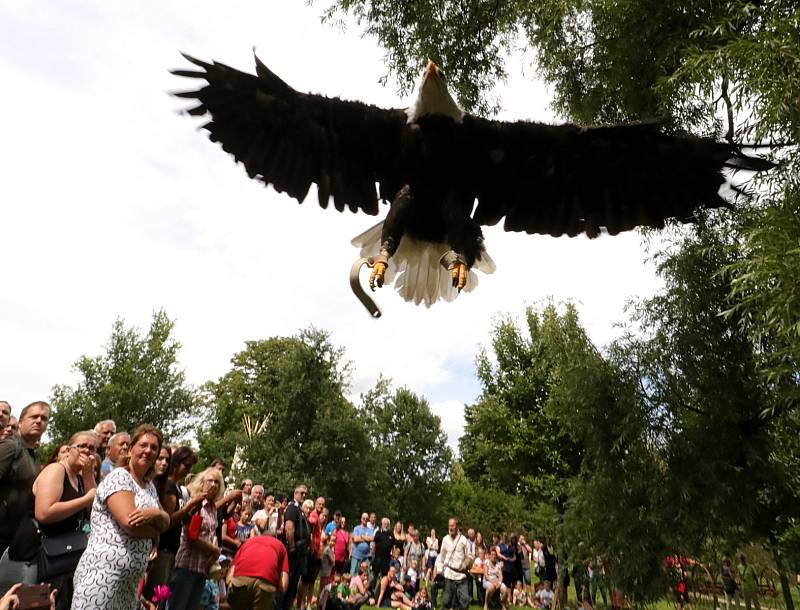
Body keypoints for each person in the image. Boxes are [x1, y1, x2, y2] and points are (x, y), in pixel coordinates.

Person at [71, 424, 170, 609]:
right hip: (104, 575)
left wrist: (155, 513)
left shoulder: (148, 486)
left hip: (129, 582)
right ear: (131, 449)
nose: (148, 450)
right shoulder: (119, 477)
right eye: (143, 445)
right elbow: (130, 524)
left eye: (154, 448)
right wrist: (155, 530)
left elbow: (165, 522)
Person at [33, 430, 98, 610]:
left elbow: (94, 510)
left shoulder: (79, 477)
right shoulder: (55, 470)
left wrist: (88, 475)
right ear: (69, 450)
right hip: (42, 555)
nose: (87, 451)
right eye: (82, 446)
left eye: (92, 448)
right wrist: (84, 500)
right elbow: (44, 513)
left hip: (65, 555)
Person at [144, 446, 205, 602]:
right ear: (176, 463)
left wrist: (191, 510)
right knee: (154, 597)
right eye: (186, 465)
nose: (188, 469)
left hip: (171, 551)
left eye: (191, 466)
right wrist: (189, 506)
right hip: (162, 550)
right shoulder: (169, 487)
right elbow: (167, 522)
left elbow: (180, 520)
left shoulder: (177, 488)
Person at [0, 401, 50, 591]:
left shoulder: (34, 457)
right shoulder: (10, 447)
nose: (39, 421)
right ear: (20, 421)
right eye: (34, 417)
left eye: (44, 418)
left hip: (15, 541)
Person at [169, 467, 226, 610]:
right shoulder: (197, 503)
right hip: (187, 564)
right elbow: (191, 537)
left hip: (202, 568)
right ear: (202, 482)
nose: (213, 484)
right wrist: (213, 550)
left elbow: (211, 534)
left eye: (217, 482)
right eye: (210, 481)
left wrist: (213, 556)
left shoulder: (213, 508)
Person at [228, 533, 289, 610]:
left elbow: (229, 576)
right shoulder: (281, 546)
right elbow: (283, 586)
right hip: (266, 583)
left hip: (241, 579)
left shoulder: (248, 543)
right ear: (275, 538)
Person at [280, 484, 310, 610]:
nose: (303, 495)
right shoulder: (292, 507)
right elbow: (289, 527)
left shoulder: (300, 510)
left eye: (305, 494)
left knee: (293, 585)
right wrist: (291, 547)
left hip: (300, 553)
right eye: (302, 493)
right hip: (293, 552)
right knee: (289, 583)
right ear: (295, 493)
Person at [435, 518, 473, 610]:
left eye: (453, 526)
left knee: (465, 601)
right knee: (446, 602)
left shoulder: (463, 540)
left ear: (457, 527)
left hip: (461, 576)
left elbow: (470, 556)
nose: (451, 528)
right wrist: (439, 570)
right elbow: (441, 556)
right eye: (449, 526)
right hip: (449, 575)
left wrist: (464, 565)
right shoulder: (445, 539)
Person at [299, 496, 326, 610]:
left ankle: (308, 604)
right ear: (315, 504)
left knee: (311, 581)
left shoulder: (320, 518)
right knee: (305, 580)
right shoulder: (314, 515)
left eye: (322, 504)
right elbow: (310, 523)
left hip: (316, 552)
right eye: (319, 504)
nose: (320, 506)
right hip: (311, 551)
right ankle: (302, 604)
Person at [350, 513, 374, 579]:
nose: (365, 519)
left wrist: (361, 536)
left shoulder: (370, 530)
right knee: (353, 574)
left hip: (366, 556)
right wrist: (366, 538)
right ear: (361, 519)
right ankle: (352, 588)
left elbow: (371, 539)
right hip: (356, 555)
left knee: (367, 575)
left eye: (366, 518)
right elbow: (355, 539)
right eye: (363, 518)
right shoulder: (356, 528)